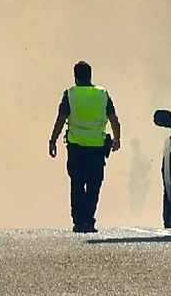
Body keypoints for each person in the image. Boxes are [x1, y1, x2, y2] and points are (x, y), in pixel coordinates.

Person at [48, 60, 121, 233]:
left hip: (76, 148)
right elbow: (114, 119)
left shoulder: (70, 94)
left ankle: (78, 221)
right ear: (90, 75)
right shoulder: (102, 94)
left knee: (77, 184)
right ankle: (89, 219)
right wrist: (117, 139)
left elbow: (60, 120)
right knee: (94, 185)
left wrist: (53, 140)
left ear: (75, 77)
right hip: (97, 149)